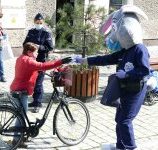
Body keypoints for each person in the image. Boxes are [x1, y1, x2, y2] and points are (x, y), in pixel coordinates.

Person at [73, 5, 149, 150]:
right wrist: (85, 60)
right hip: (124, 89)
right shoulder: (124, 51)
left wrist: (127, 74)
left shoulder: (140, 49)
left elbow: (144, 70)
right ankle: (120, 146)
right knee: (119, 119)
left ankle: (130, 147)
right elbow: (105, 59)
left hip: (135, 89)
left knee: (125, 120)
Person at [10, 42, 71, 147]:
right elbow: (42, 65)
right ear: (29, 52)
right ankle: (16, 140)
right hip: (21, 92)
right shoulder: (28, 61)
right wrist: (61, 61)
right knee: (20, 116)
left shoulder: (21, 58)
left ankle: (20, 136)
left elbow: (30, 69)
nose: (37, 54)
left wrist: (40, 71)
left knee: (21, 115)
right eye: (35, 52)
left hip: (16, 88)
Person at [23, 13, 53, 112]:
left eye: (40, 22)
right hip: (31, 61)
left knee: (38, 83)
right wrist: (30, 46)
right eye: (37, 22)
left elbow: (50, 47)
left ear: (42, 22)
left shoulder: (46, 33)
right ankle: (35, 101)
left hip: (41, 61)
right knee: (32, 81)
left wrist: (38, 47)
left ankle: (38, 103)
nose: (38, 24)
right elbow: (24, 43)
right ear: (34, 22)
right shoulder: (31, 31)